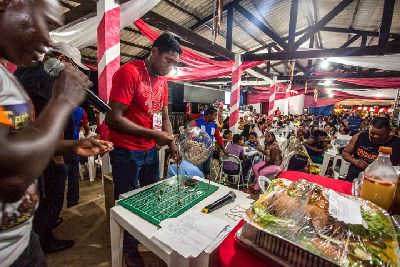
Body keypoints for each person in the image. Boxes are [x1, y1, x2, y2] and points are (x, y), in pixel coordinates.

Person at [0, 1, 112, 265]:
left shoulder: (7, 75)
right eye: (46, 23)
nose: (47, 40)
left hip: (22, 237)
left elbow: (17, 142)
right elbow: (10, 178)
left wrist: (71, 145)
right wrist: (62, 101)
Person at [105, 32, 181, 266]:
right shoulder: (129, 73)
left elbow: (165, 117)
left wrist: (170, 143)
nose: (170, 68)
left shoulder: (163, 82)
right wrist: (154, 134)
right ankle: (129, 250)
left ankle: (143, 239)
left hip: (150, 150)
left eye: (175, 64)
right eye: (168, 60)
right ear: (154, 52)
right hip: (127, 150)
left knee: (150, 199)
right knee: (128, 201)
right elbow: (113, 119)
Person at [343, 117, 400, 182]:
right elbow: (345, 153)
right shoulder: (359, 136)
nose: (375, 136)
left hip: (381, 182)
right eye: (372, 133)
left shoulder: (397, 143)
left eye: (380, 134)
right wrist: (355, 161)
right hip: (354, 178)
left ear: (388, 132)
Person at [191, 107, 225, 177]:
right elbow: (190, 135)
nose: (216, 117)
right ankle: (198, 183)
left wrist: (224, 150)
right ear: (209, 114)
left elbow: (218, 138)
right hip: (199, 151)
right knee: (198, 170)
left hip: (209, 150)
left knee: (207, 169)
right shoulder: (197, 122)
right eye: (215, 115)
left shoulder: (214, 125)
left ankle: (205, 182)